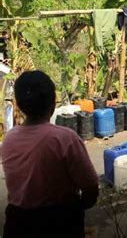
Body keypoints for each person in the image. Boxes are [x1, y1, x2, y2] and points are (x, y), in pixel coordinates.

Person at [1, 70, 99, 238]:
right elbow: (91, 192)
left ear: (18, 104)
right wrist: (71, 211)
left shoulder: (9, 139)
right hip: (59, 224)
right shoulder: (66, 138)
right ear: (53, 103)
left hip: (17, 224)